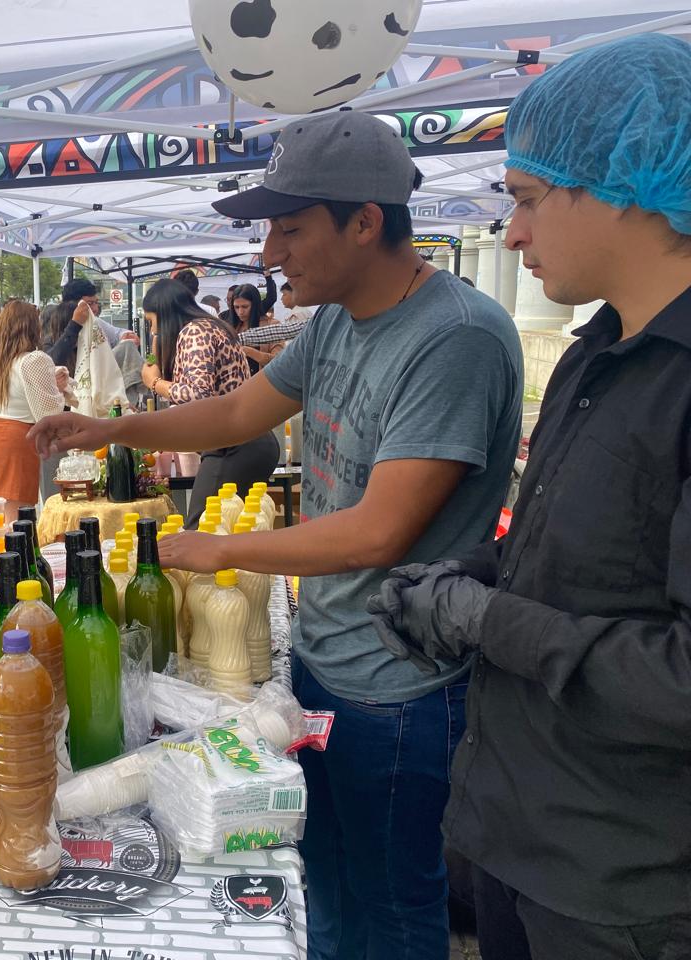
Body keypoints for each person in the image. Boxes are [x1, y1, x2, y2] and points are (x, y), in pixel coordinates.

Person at [29, 110, 522, 960]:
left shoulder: (458, 338)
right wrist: (106, 432)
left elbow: (380, 531)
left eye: (290, 228)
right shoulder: (333, 322)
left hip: (401, 684)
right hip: (324, 661)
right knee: (322, 870)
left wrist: (217, 548)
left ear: (365, 223)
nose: (268, 254)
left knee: (396, 896)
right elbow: (233, 411)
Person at [368, 34, 691, 960]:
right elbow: (571, 566)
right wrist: (458, 583)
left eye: (525, 201)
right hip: (518, 836)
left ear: (625, 183)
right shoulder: (600, 351)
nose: (511, 234)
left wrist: (484, 621)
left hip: (624, 889)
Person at [140, 277, 278, 524]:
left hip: (233, 445)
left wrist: (155, 382)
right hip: (247, 441)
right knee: (232, 529)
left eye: (152, 322)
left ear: (165, 314)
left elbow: (199, 394)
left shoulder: (194, 331)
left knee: (201, 528)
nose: (153, 331)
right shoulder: (211, 326)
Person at [0, 302, 68, 524]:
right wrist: (60, 390)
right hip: (16, 442)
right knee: (15, 524)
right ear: (32, 327)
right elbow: (48, 414)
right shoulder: (34, 359)